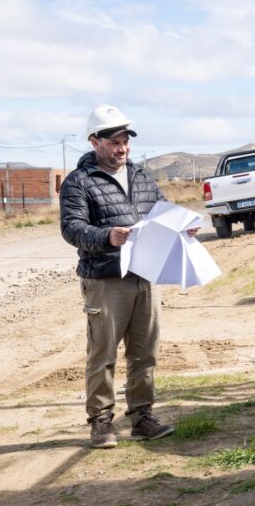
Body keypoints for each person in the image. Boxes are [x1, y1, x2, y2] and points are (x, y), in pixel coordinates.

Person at [60, 104, 194, 448]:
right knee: (103, 353)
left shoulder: (142, 176)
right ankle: (101, 422)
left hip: (145, 273)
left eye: (125, 141)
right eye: (115, 142)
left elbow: (163, 212)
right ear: (95, 142)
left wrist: (182, 229)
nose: (123, 148)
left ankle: (142, 417)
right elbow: (72, 228)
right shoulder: (79, 182)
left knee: (145, 351)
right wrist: (108, 237)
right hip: (105, 279)